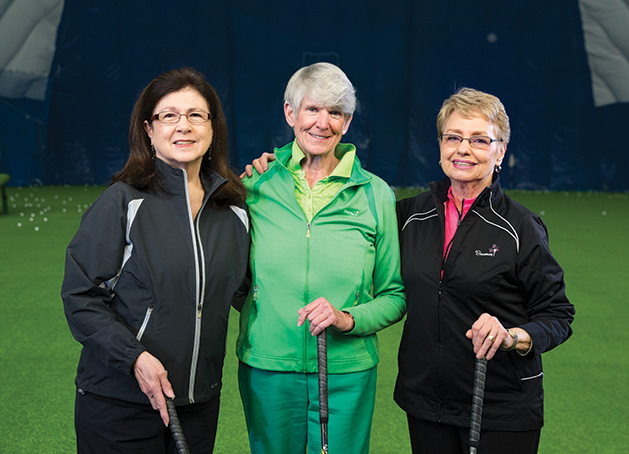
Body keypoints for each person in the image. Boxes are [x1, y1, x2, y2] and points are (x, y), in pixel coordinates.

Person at [61, 67, 250, 453]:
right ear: (149, 130)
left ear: (213, 129)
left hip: (198, 406)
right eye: (169, 115)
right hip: (120, 404)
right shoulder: (122, 202)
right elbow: (80, 297)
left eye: (196, 115)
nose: (184, 126)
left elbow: (249, 294)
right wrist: (135, 359)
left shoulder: (234, 213)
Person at [237, 62, 406, 454]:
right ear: (290, 113)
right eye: (312, 109)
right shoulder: (253, 185)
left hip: (347, 373)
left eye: (335, 112)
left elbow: (395, 295)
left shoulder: (376, 194)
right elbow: (232, 276)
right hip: (268, 368)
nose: (322, 123)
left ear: (346, 122)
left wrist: (348, 319)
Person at [395, 87, 575, 453]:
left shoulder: (521, 227)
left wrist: (513, 335)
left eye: (480, 140)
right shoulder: (409, 215)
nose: (464, 149)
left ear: (500, 151)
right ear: (441, 144)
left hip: (500, 407)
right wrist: (282, 166)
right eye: (454, 137)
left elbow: (558, 315)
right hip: (427, 405)